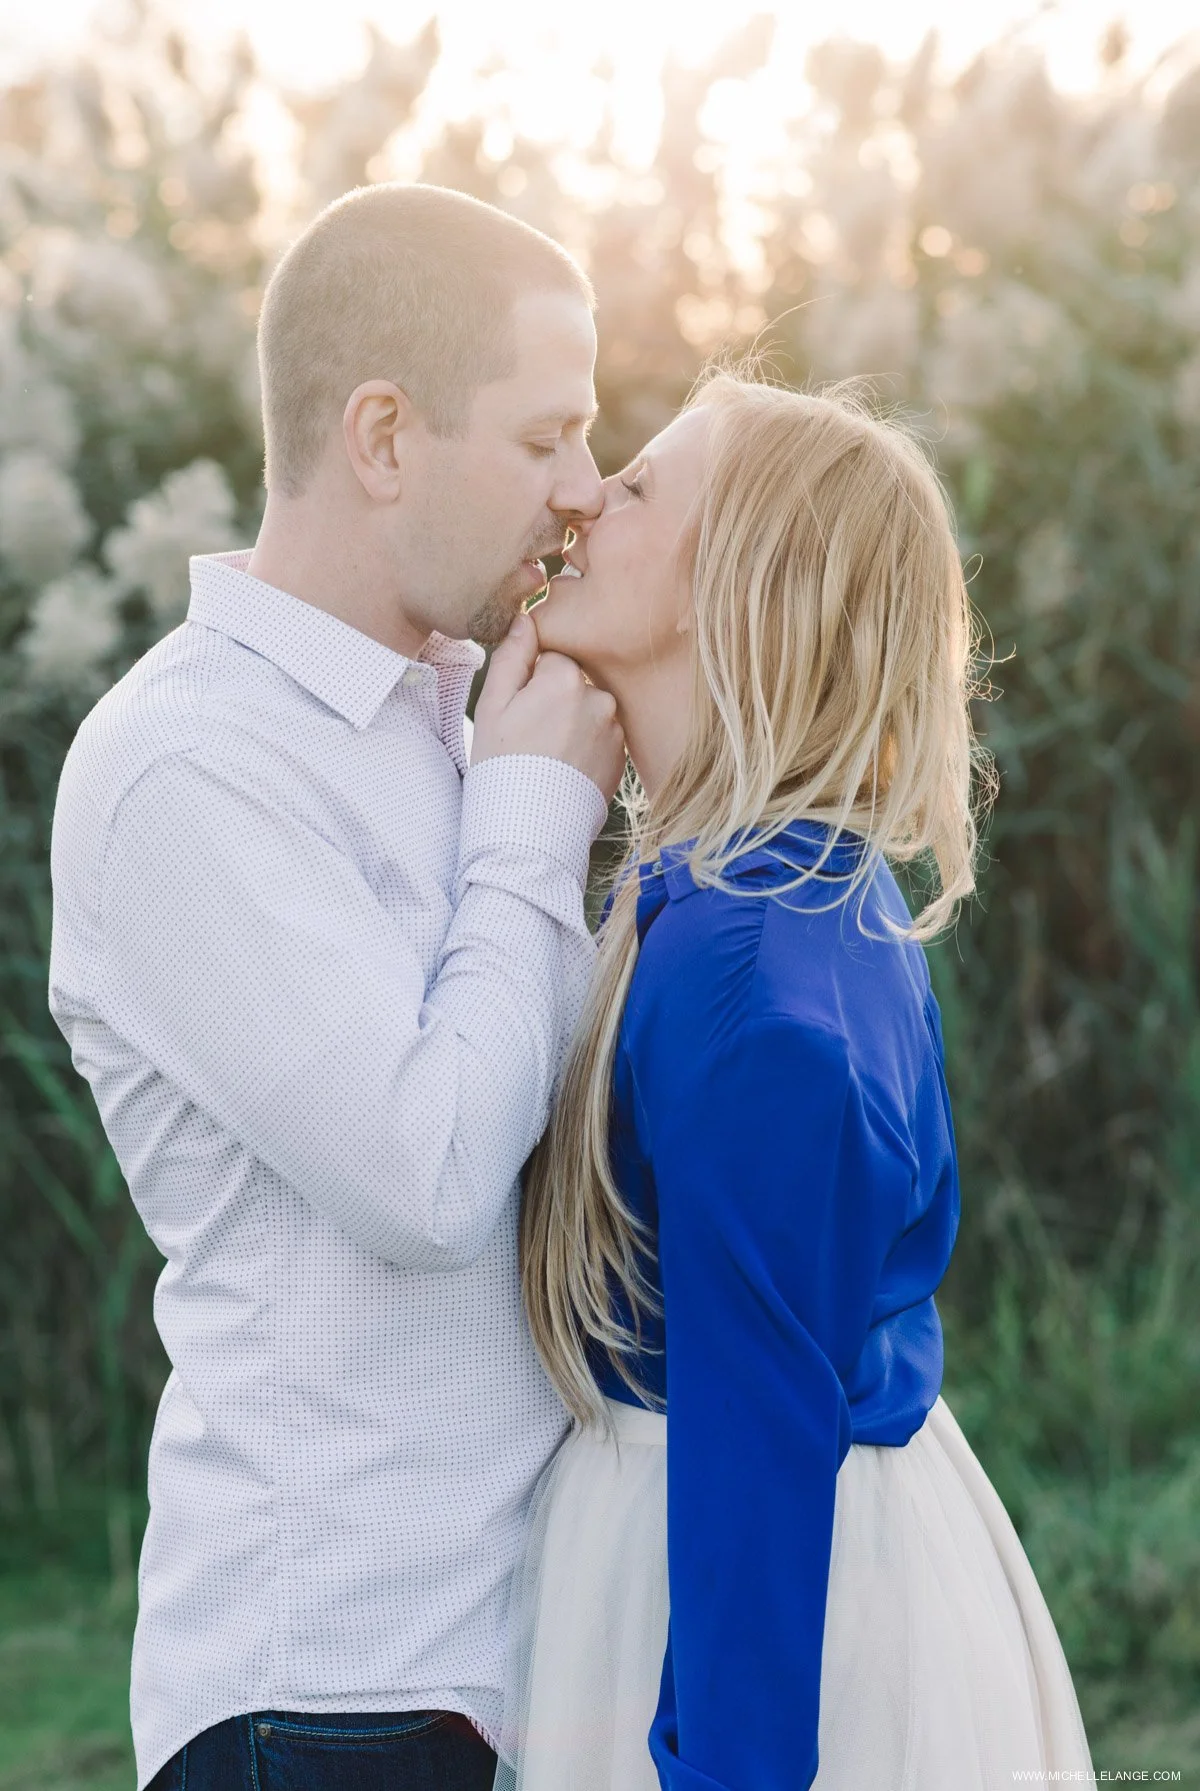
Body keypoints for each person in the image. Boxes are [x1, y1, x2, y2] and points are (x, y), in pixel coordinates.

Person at [47, 182, 625, 1791]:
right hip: (327, 1694)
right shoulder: (187, 764)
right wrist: (534, 817)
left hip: (518, 1669)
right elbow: (426, 1176)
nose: (585, 487)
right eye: (546, 436)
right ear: (382, 437)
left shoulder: (471, 717)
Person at [500, 370, 1095, 1790]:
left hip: (743, 1605)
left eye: (638, 486)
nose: (586, 496)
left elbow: (759, 1436)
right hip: (717, 1538)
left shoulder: (752, 971)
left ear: (742, 589)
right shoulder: (763, 893)